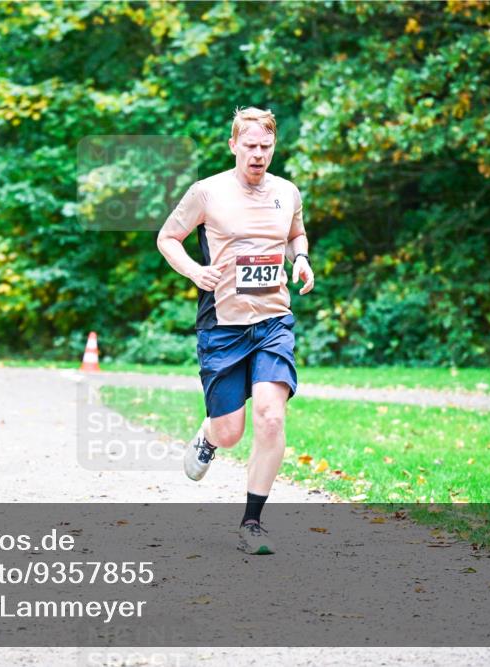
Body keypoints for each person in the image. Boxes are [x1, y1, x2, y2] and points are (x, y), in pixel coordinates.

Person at [156, 107, 315, 555]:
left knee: (271, 415)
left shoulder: (287, 192)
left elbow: (296, 234)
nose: (258, 154)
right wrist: (194, 271)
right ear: (233, 146)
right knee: (230, 431)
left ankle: (252, 522)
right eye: (250, 146)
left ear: (273, 147)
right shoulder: (206, 192)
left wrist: (300, 258)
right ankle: (209, 436)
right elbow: (168, 238)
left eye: (266, 146)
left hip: (272, 321)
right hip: (223, 324)